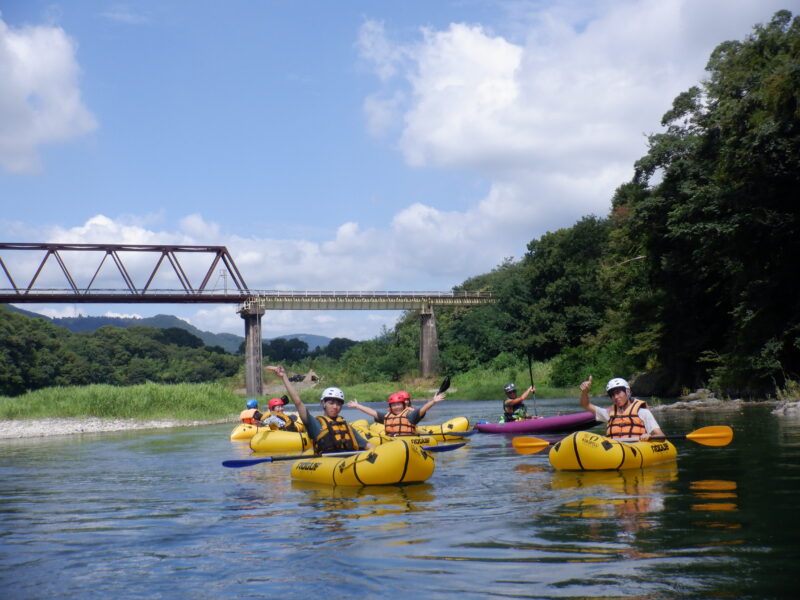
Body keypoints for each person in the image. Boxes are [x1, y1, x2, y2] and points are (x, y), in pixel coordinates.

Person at [266, 365, 373, 453]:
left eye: (338, 404)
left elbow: (367, 445)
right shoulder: (315, 424)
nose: (335, 407)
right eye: (331, 403)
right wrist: (284, 376)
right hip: (326, 464)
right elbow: (298, 403)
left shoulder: (345, 426)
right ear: (323, 403)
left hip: (347, 463)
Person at [579, 375, 665, 441]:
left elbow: (660, 436)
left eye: (618, 392)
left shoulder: (642, 412)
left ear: (628, 392)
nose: (615, 397)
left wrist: (649, 436)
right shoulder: (609, 414)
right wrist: (585, 392)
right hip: (615, 452)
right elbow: (586, 405)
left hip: (636, 449)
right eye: (612, 395)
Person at [348, 390, 446, 436]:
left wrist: (433, 401)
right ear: (390, 407)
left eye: (399, 404)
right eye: (394, 405)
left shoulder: (409, 415)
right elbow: (372, 412)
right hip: (392, 442)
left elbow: (422, 409)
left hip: (407, 441)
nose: (396, 407)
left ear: (403, 405)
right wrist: (358, 406)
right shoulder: (387, 416)